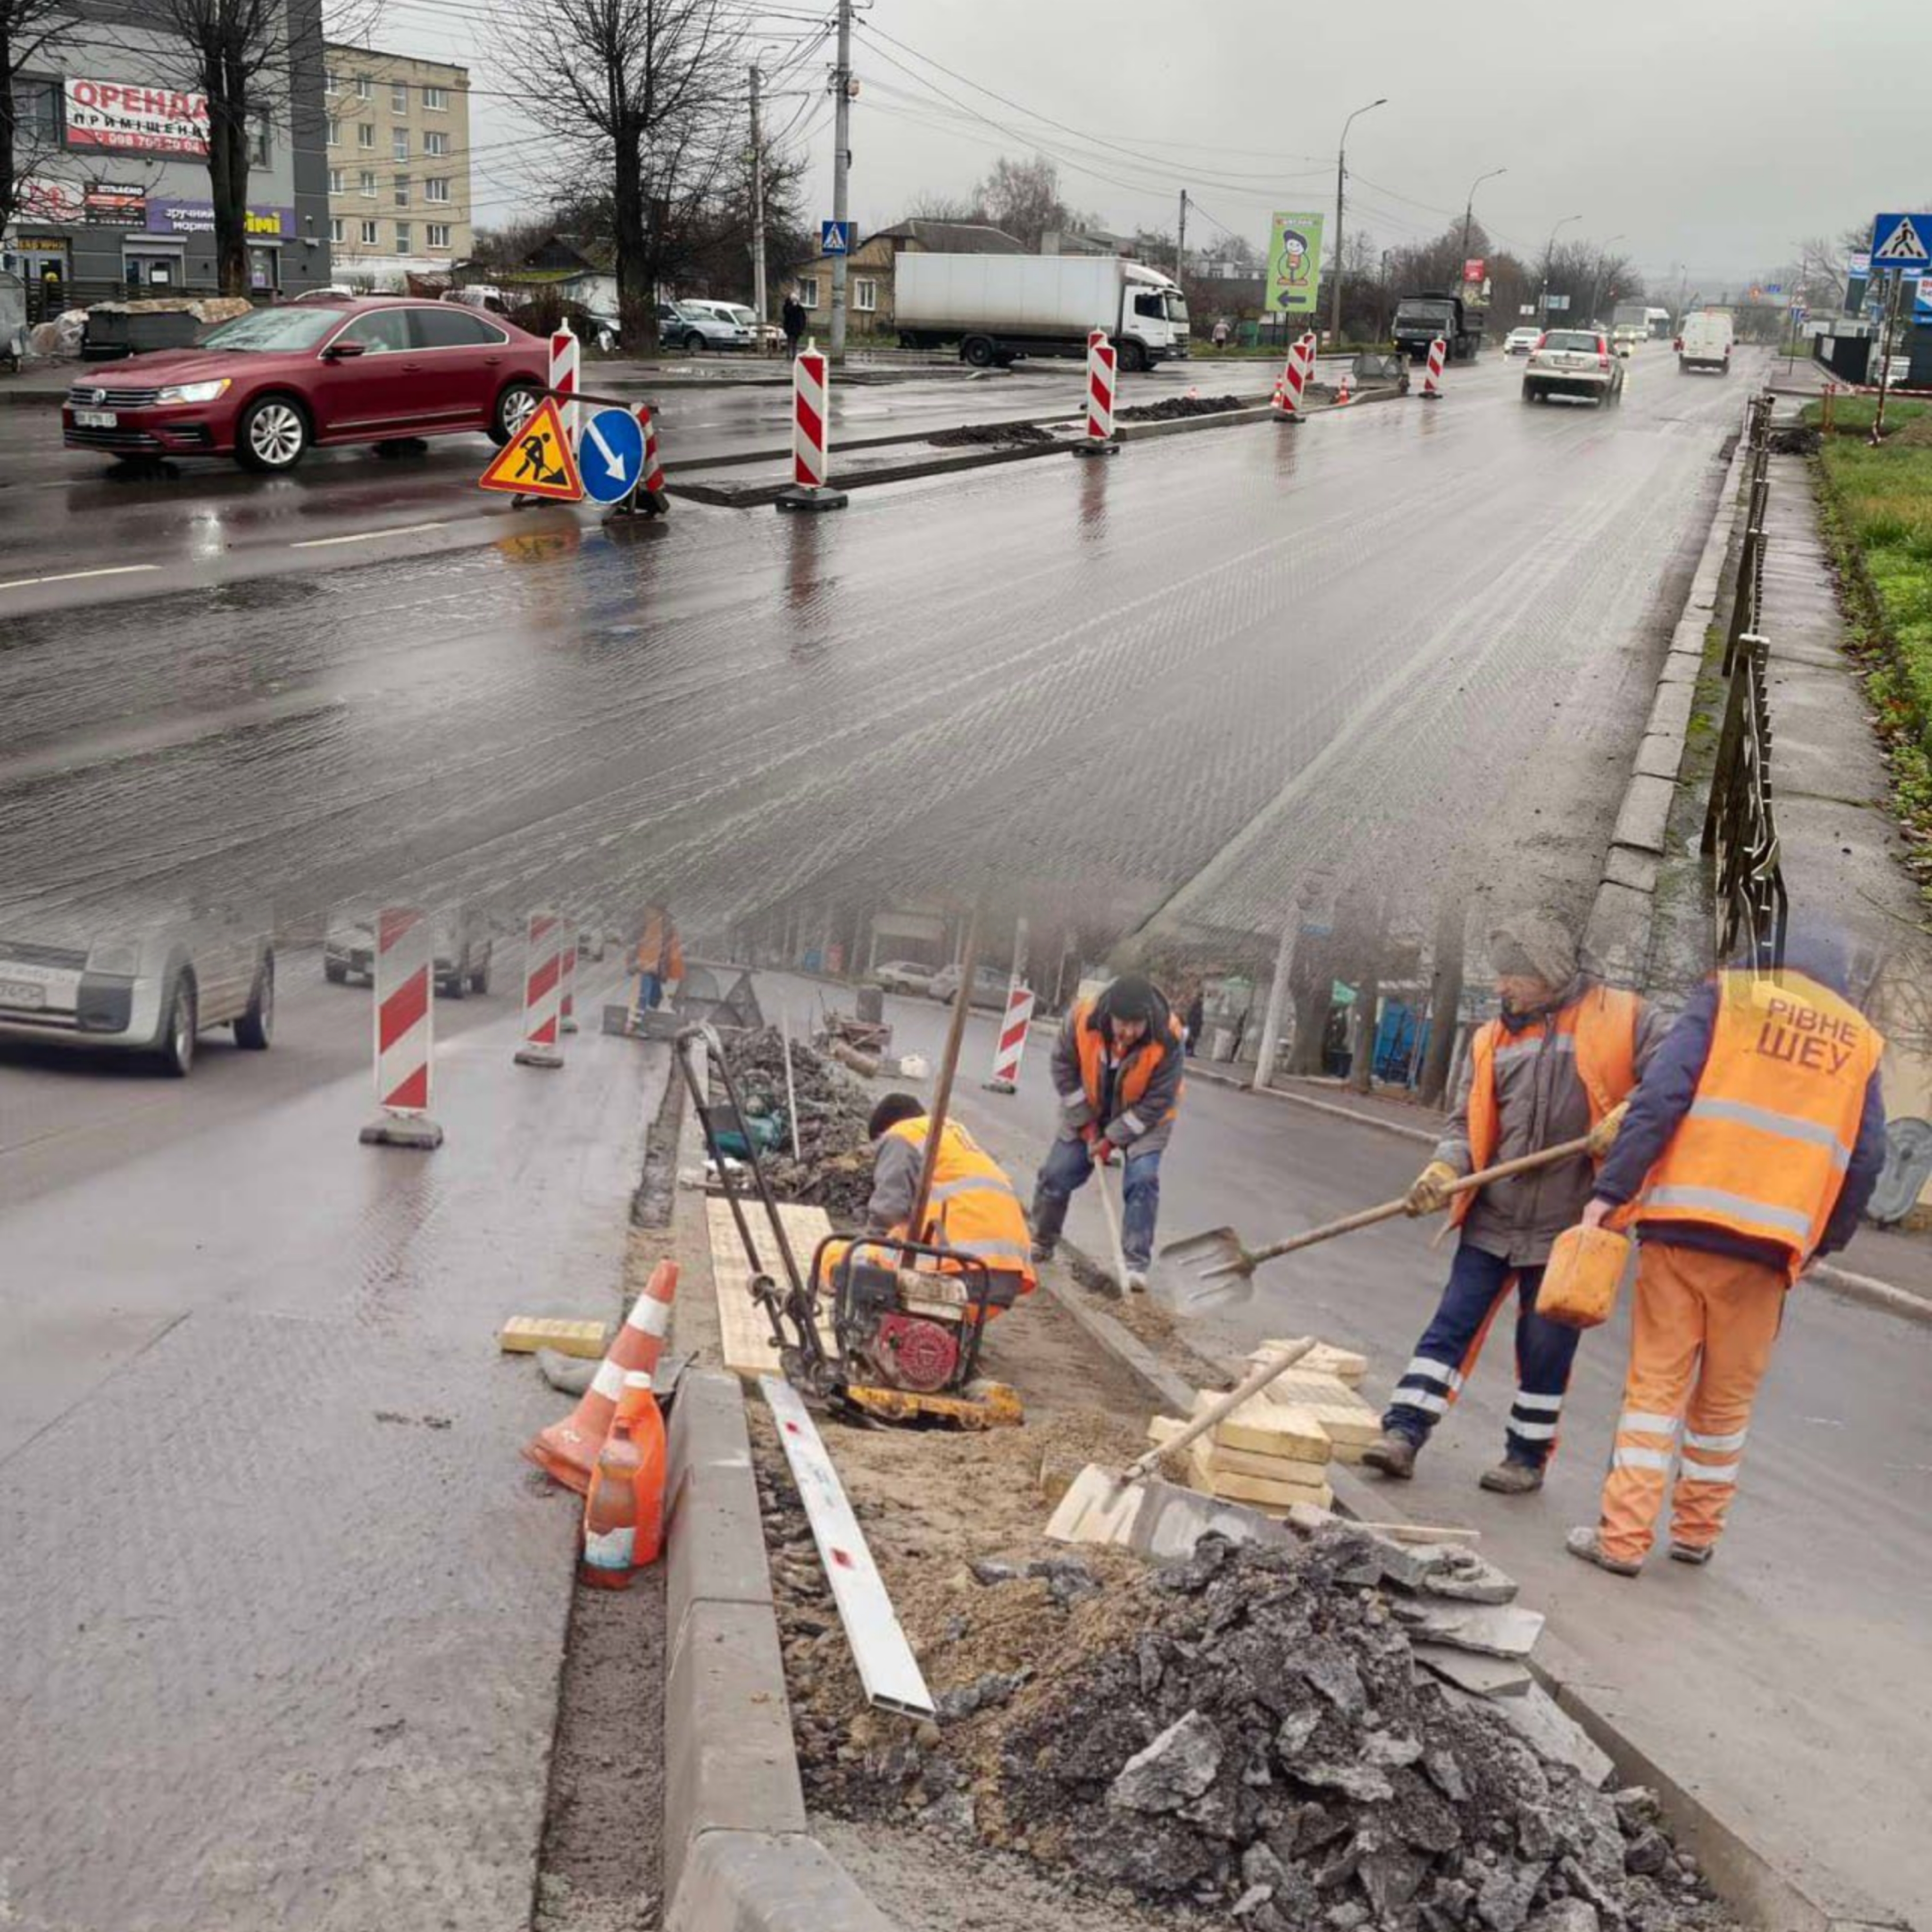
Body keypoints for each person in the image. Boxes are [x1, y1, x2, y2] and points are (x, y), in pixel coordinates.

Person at [1566, 928, 1886, 1576]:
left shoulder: (1726, 997)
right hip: (1772, 1249)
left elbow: (1660, 1099)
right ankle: (1696, 1533)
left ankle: (1622, 1541)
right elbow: (1870, 1154)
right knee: (1726, 1402)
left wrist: (1611, 1191)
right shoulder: (1860, 1038)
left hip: (1685, 1224)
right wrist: (1827, 1241)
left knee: (1656, 1388)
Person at [1361, 912, 1666, 1494]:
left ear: (1549, 973)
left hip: (1572, 1224)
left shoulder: (1627, 1017)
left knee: (1545, 1345)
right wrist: (1444, 1167)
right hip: (1492, 1217)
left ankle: (1525, 1458)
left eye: (1512, 977)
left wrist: (1632, 1115)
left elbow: (1676, 1079)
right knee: (1450, 1326)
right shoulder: (1490, 1039)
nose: (1501, 987)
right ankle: (1402, 1433)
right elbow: (1463, 1120)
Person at [1032, 973, 1185, 1291]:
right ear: (1109, 1015)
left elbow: (1159, 1099)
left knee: (1143, 1179)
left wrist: (1111, 1139)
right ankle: (1042, 1239)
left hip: (1147, 1117)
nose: (1128, 1032)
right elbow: (1063, 1066)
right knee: (1056, 1174)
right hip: (1089, 1104)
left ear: (1148, 1019)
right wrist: (1085, 1122)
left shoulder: (1169, 1036)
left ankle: (1134, 1266)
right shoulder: (1081, 1018)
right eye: (1122, 1024)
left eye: (1136, 1025)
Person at [822, 1093, 1037, 1319]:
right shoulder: (951, 1133)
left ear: (883, 1132)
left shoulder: (901, 1135)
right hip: (1002, 1282)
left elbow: (888, 1211)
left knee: (836, 1253)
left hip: (957, 1277)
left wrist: (867, 1256)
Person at [631, 904, 683, 1012]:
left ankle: (647, 1012)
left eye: (649, 910)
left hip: (655, 965)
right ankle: (645, 1012)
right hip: (647, 966)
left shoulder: (665, 927)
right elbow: (636, 945)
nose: (646, 913)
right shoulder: (646, 925)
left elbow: (672, 948)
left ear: (658, 911)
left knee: (652, 993)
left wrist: (670, 965)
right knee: (647, 992)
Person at [781, 290, 806, 359]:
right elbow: (786, 313)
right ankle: (789, 354)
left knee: (795, 342)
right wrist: (793, 307)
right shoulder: (788, 306)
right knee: (790, 341)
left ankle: (794, 355)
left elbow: (803, 318)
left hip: (797, 328)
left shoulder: (800, 308)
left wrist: (802, 327)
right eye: (793, 299)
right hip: (790, 327)